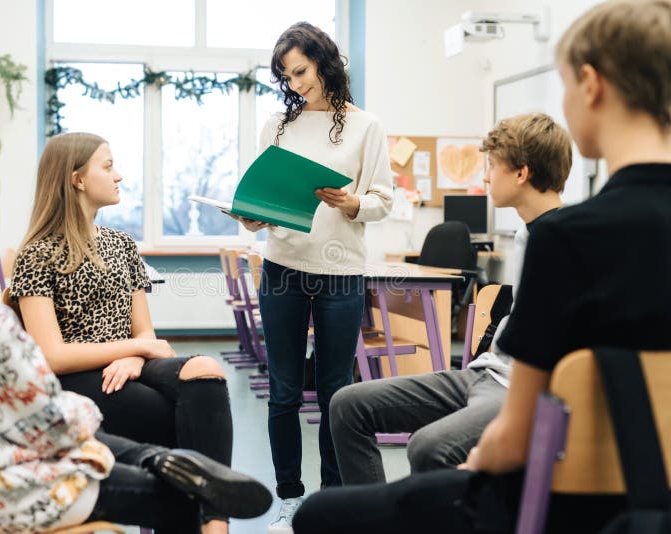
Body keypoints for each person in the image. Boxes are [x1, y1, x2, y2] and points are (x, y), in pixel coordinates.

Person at [292, 1, 671, 532]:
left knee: (320, 514)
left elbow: (514, 433)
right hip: (631, 492)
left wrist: (482, 461)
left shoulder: (567, 237)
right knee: (351, 405)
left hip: (548, 486)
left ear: (591, 85)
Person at [0, 115, 272, 533]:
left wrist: (134, 357)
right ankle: (182, 477)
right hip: (3, 489)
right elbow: (46, 424)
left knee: (183, 418)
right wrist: (90, 423)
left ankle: (165, 462)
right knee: (187, 497)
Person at [8, 132, 237, 531]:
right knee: (185, 419)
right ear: (77, 179)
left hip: (130, 364)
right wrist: (135, 347)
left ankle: (215, 523)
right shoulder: (37, 252)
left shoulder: (123, 244)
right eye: (108, 166)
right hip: (76, 375)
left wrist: (134, 354)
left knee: (205, 370)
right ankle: (203, 520)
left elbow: (144, 329)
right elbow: (51, 354)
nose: (119, 176)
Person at [329, 111, 571, 483]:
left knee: (428, 446)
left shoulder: (565, 240)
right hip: (487, 372)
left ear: (521, 173)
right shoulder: (528, 236)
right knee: (347, 405)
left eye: (492, 166)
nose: (487, 176)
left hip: (517, 389)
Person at [233, 21, 393, 533]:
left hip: (340, 272)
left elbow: (383, 201)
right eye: (286, 74)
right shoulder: (278, 125)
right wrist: (251, 216)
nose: (295, 82)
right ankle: (289, 498)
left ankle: (328, 499)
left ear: (325, 61)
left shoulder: (366, 127)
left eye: (301, 70)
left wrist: (354, 203)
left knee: (335, 393)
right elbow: (260, 195)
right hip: (282, 267)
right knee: (282, 390)